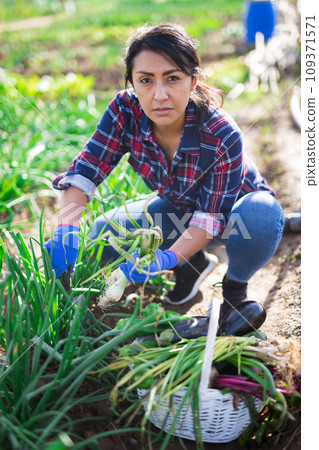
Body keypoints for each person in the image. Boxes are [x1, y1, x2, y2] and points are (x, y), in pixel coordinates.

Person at [45, 23, 285, 318]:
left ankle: (235, 292)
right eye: (146, 80)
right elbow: (85, 172)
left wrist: (167, 257)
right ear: (133, 83)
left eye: (172, 78)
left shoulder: (221, 133)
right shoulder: (124, 111)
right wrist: (66, 228)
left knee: (263, 213)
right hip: (179, 209)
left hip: (237, 219)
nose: (159, 94)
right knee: (102, 234)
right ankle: (193, 263)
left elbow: (210, 220)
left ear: (193, 80)